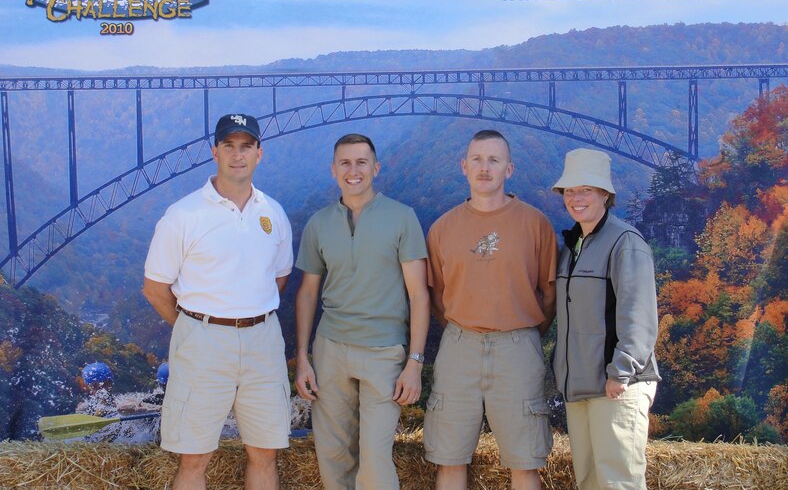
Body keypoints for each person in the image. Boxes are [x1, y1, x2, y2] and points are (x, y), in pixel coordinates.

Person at [143, 113, 293, 490]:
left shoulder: (273, 212)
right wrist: (195, 328)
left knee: (265, 453)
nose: (237, 155)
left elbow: (279, 277)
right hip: (203, 340)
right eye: (229, 145)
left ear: (260, 153)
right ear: (215, 152)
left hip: (263, 340)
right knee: (193, 457)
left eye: (246, 146)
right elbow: (155, 288)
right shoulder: (182, 215)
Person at [294, 133, 430, 490]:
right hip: (330, 349)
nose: (353, 171)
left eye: (361, 162)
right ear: (333, 170)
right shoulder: (319, 223)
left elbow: (419, 295)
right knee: (333, 455)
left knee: (375, 459)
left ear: (376, 168)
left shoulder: (403, 218)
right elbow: (307, 294)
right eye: (345, 163)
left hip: (384, 353)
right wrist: (303, 358)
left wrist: (414, 362)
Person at [424, 129, 556, 490]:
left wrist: (521, 332)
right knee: (449, 459)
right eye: (478, 160)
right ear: (464, 166)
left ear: (509, 169)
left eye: (494, 160)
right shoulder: (441, 229)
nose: (485, 168)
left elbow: (549, 293)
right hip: (459, 345)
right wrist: (464, 325)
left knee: (525, 462)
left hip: (518, 347)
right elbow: (437, 296)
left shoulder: (535, 224)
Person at [551, 148, 660, 490]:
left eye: (585, 189)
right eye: (570, 190)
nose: (576, 198)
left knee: (618, 482)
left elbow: (639, 314)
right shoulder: (572, 246)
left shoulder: (625, 242)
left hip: (616, 386)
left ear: (605, 194)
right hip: (580, 385)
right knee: (589, 481)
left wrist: (621, 371)